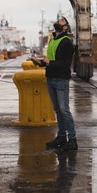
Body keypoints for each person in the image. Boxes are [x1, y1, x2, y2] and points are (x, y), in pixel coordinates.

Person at [32, 16, 77, 150]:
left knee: (64, 110)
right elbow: (50, 60)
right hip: (51, 78)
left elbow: (65, 64)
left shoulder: (66, 42)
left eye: (62, 21)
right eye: (59, 20)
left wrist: (49, 63)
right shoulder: (52, 40)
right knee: (58, 110)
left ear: (66, 27)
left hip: (61, 80)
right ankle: (62, 137)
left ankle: (73, 140)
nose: (58, 21)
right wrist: (40, 62)